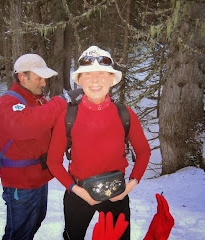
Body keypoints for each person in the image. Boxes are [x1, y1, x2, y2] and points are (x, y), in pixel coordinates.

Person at [47, 46, 151, 240]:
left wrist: (130, 185)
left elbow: (144, 152)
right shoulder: (67, 117)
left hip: (116, 196)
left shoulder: (125, 114)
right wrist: (75, 190)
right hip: (78, 196)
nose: (94, 80)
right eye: (87, 74)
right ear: (79, 81)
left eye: (102, 74)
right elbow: (53, 161)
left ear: (111, 79)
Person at [0, 53, 83, 240]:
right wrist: (63, 100)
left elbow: (51, 124)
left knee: (35, 221)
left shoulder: (39, 100)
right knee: (19, 232)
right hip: (21, 183)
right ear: (22, 77)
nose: (43, 83)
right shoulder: (7, 103)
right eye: (39, 78)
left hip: (39, 179)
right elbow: (29, 125)